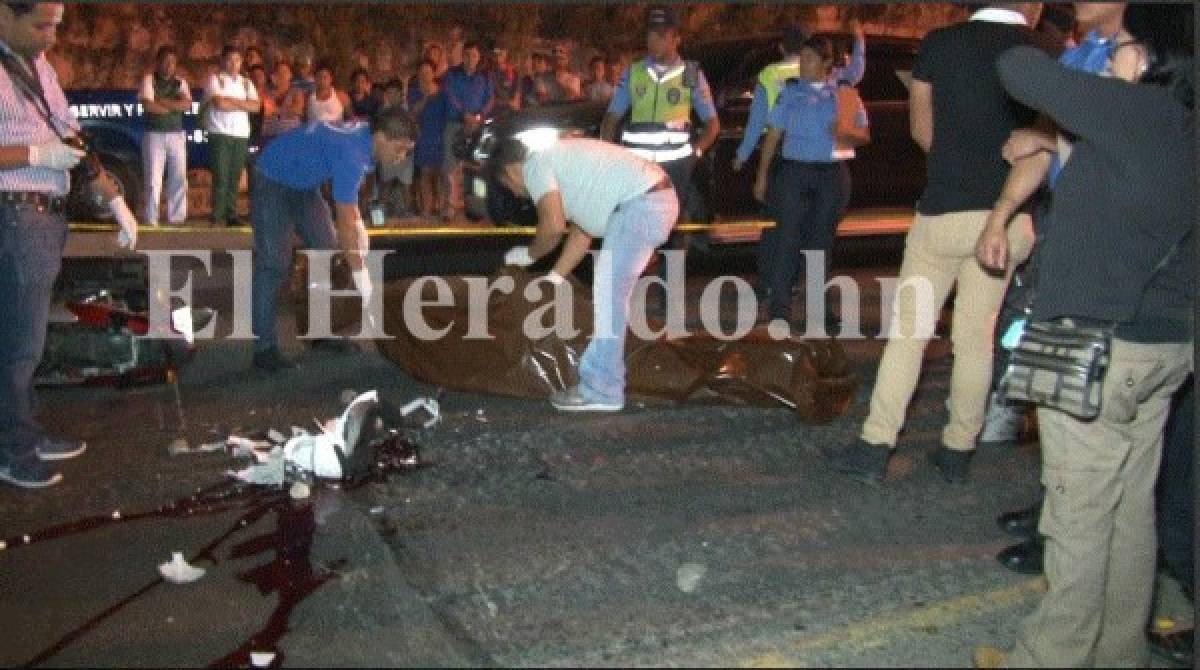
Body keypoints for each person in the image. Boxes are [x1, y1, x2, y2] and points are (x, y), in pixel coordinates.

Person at [971, 4, 1193, 666]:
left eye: (1123, 45)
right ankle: (1118, 650)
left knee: (1078, 517)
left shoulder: (1141, 112)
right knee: (1130, 510)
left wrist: (1100, 68)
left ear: (1149, 55)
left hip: (1099, 347)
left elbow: (1016, 67)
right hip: (1163, 345)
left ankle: (1048, 658)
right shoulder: (1180, 126)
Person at [823, 3, 1050, 484]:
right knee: (975, 339)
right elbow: (1048, 142)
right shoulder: (1042, 51)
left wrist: (955, 159)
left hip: (944, 211)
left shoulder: (941, 44)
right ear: (1033, 5)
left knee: (910, 334)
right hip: (1006, 220)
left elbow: (920, 130)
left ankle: (875, 444)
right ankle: (957, 449)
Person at [0, 1, 116, 487]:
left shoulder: (36, 65)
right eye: (42, 25)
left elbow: (66, 125)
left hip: (43, 215)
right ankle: (14, 451)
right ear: (5, 13)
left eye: (57, 26)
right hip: (15, 210)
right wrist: (35, 154)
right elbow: (38, 145)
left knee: (26, 341)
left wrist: (110, 193)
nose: (52, 37)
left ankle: (26, 432)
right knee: (18, 346)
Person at [496, 137, 677, 412]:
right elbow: (583, 231)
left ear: (509, 171)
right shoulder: (565, 167)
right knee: (611, 296)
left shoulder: (536, 165)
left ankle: (601, 388)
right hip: (654, 200)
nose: (517, 195)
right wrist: (554, 277)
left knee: (609, 297)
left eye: (509, 188)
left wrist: (529, 255)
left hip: (639, 204)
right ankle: (604, 383)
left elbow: (553, 227)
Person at [249, 109, 415, 372]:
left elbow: (350, 212)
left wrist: (359, 232)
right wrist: (363, 278)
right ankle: (264, 349)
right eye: (400, 148)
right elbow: (345, 221)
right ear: (381, 138)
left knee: (326, 253)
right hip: (271, 177)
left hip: (303, 185)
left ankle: (319, 331)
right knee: (273, 265)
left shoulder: (364, 139)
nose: (402, 157)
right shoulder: (354, 152)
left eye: (407, 151)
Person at [599, 5, 719, 311]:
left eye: (663, 35)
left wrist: (696, 154)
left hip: (676, 167)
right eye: (652, 34)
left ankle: (669, 302)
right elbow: (612, 117)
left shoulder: (691, 73)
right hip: (637, 169)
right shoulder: (634, 72)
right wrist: (607, 153)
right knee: (632, 230)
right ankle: (623, 298)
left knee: (673, 233)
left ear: (676, 38)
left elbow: (712, 124)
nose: (656, 41)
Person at [751, 34, 868, 329]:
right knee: (786, 240)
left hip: (830, 175)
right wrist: (762, 176)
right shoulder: (790, 93)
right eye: (801, 58)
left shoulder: (844, 93)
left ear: (827, 63)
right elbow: (774, 136)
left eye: (810, 59)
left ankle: (819, 311)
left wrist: (843, 131)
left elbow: (864, 135)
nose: (802, 65)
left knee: (820, 245)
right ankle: (780, 310)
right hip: (794, 173)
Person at [733, 19, 866, 173]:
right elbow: (856, 70)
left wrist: (741, 156)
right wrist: (859, 39)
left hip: (782, 152)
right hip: (826, 160)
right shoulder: (828, 71)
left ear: (781, 48)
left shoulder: (769, 75)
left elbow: (756, 123)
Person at [203, 45, 260, 227]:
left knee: (235, 175)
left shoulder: (246, 83)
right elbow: (220, 103)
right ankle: (217, 214)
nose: (233, 63)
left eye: (237, 60)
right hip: (220, 132)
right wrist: (243, 103)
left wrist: (233, 101)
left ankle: (231, 213)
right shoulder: (216, 80)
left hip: (240, 134)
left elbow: (256, 106)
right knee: (221, 174)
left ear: (241, 62)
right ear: (223, 61)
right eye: (230, 59)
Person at [138, 44, 191, 227]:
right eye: (165, 61)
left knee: (178, 177)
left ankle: (176, 217)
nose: (169, 66)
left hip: (176, 135)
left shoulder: (180, 83)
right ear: (158, 62)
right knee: (154, 178)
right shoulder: (149, 80)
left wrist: (163, 102)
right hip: (155, 135)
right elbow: (149, 105)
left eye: (173, 62)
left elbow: (186, 105)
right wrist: (173, 107)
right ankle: (151, 217)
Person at [441, 40, 492, 219]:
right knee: (450, 166)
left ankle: (475, 207)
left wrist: (478, 117)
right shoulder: (451, 74)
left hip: (477, 127)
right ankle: (449, 206)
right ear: (463, 56)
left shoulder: (484, 77)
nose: (471, 58)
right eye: (468, 55)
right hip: (455, 124)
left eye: (475, 55)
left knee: (476, 166)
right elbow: (449, 95)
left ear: (479, 58)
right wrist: (465, 114)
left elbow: (490, 99)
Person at [408, 59, 447, 218]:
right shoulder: (414, 92)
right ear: (418, 75)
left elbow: (446, 115)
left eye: (428, 72)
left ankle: (439, 204)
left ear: (433, 73)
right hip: (423, 137)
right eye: (422, 72)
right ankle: (426, 206)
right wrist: (425, 97)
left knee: (437, 174)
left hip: (438, 136)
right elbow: (413, 113)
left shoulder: (443, 92)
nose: (425, 75)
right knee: (424, 172)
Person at [489, 45, 521, 116]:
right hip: (495, 111)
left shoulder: (513, 72)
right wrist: (507, 102)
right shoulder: (490, 73)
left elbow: (517, 92)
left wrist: (514, 103)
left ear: (505, 54)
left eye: (500, 54)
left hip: (511, 111)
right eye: (496, 54)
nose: (498, 57)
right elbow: (490, 97)